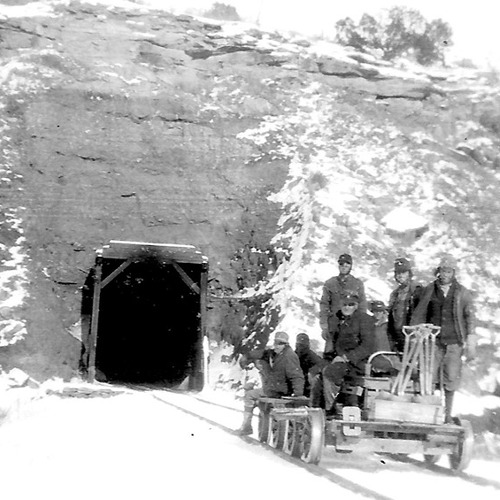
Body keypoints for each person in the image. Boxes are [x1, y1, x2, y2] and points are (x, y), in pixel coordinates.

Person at [410, 255, 477, 423]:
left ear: (453, 273)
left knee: (451, 378)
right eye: (443, 270)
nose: (445, 274)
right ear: (438, 272)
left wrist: (471, 339)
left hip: (454, 342)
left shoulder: (462, 293)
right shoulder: (430, 290)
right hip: (433, 342)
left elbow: (469, 316)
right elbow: (420, 312)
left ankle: (447, 415)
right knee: (428, 376)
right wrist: (416, 332)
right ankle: (428, 415)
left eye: (449, 271)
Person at [313, 292, 375, 413]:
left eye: (351, 304)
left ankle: (330, 408)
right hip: (342, 361)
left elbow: (367, 346)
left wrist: (347, 357)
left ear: (356, 306)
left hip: (358, 362)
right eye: (344, 304)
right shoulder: (339, 319)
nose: (347, 307)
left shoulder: (364, 320)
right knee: (315, 371)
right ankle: (316, 409)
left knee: (330, 372)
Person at [236, 331, 304, 435]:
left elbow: (296, 376)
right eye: (275, 342)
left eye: (280, 343)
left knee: (249, 395)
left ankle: (246, 426)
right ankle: (249, 425)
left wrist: (298, 394)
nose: (276, 346)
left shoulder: (289, 356)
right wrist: (247, 355)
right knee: (252, 394)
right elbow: (262, 353)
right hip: (274, 388)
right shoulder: (275, 353)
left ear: (286, 344)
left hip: (279, 391)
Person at [319, 253, 367, 357]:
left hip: (351, 326)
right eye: (341, 264)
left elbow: (362, 305)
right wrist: (324, 327)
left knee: (349, 354)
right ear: (338, 265)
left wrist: (361, 326)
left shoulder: (357, 284)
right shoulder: (330, 283)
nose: (344, 266)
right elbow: (324, 305)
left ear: (351, 266)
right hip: (334, 326)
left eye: (347, 264)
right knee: (329, 355)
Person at [387, 257, 422, 352]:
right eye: (398, 272)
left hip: (413, 336)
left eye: (403, 272)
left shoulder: (418, 290)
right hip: (398, 338)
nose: (400, 275)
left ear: (409, 273)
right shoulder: (395, 294)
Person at [294, 333, 328, 397]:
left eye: (302, 345)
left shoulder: (312, 357)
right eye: (299, 345)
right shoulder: (294, 355)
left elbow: (320, 367)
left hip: (307, 387)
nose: (300, 348)